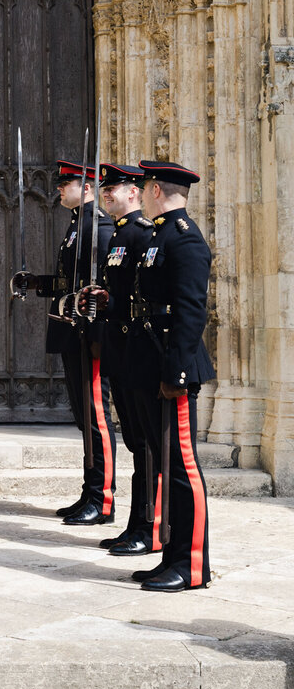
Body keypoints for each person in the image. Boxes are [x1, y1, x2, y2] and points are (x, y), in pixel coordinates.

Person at [12, 160, 115, 524]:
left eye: (65, 183)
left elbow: (105, 290)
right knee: (83, 416)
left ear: (87, 187)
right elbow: (69, 282)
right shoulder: (78, 227)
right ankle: (90, 492)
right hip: (72, 331)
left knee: (96, 417)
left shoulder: (99, 228)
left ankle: (102, 498)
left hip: (89, 335)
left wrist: (99, 331)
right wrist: (36, 283)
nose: (58, 188)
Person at [128, 159, 215, 592]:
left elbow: (190, 313)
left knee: (183, 469)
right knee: (164, 463)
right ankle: (171, 556)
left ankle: (191, 564)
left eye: (144, 188)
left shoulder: (186, 241)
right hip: (151, 360)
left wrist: (177, 372)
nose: (141, 194)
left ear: (157, 191)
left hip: (172, 366)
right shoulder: (159, 235)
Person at [81, 164, 161, 557]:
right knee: (136, 442)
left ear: (135, 193)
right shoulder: (116, 235)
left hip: (136, 351)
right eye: (105, 188)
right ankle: (137, 523)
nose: (107, 193)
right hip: (120, 351)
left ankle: (149, 526)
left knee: (146, 445)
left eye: (114, 187)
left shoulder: (142, 234)